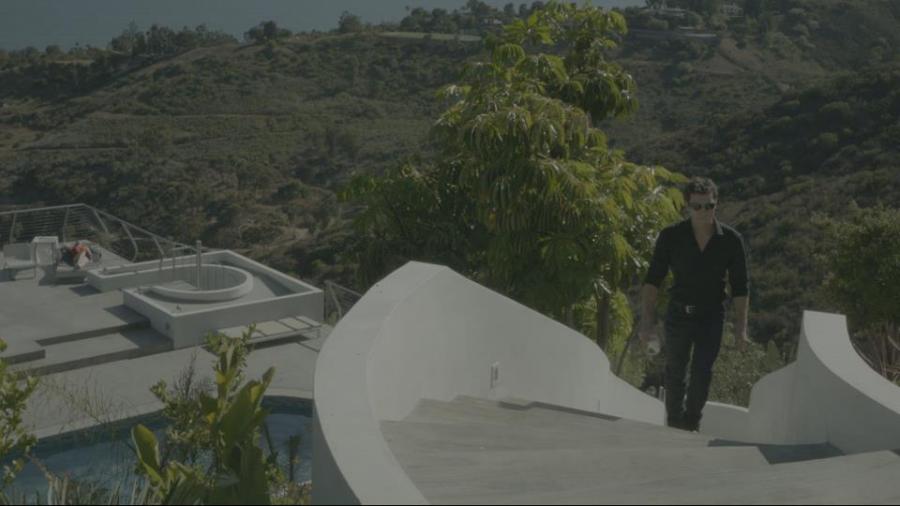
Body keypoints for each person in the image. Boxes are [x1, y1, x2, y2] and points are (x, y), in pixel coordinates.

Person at [639, 176, 750, 432]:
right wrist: (647, 322)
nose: (703, 211)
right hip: (679, 314)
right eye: (697, 206)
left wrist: (741, 328)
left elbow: (741, 287)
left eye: (709, 205)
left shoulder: (731, 240)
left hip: (711, 317)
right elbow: (652, 281)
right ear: (687, 206)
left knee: (702, 373)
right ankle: (674, 425)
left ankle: (691, 424)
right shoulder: (671, 236)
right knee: (675, 372)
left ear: (716, 204)